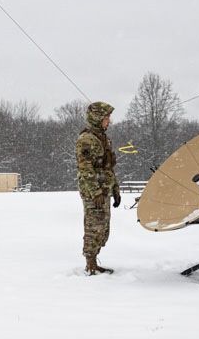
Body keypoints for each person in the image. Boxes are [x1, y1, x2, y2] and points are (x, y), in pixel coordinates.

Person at [76, 101, 121, 275]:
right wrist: (95, 191)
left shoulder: (102, 138)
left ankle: (94, 260)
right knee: (94, 227)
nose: (108, 121)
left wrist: (115, 189)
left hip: (104, 189)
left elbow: (107, 167)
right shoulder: (87, 139)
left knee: (103, 228)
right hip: (93, 192)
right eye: (106, 117)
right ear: (97, 118)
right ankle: (91, 264)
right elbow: (85, 168)